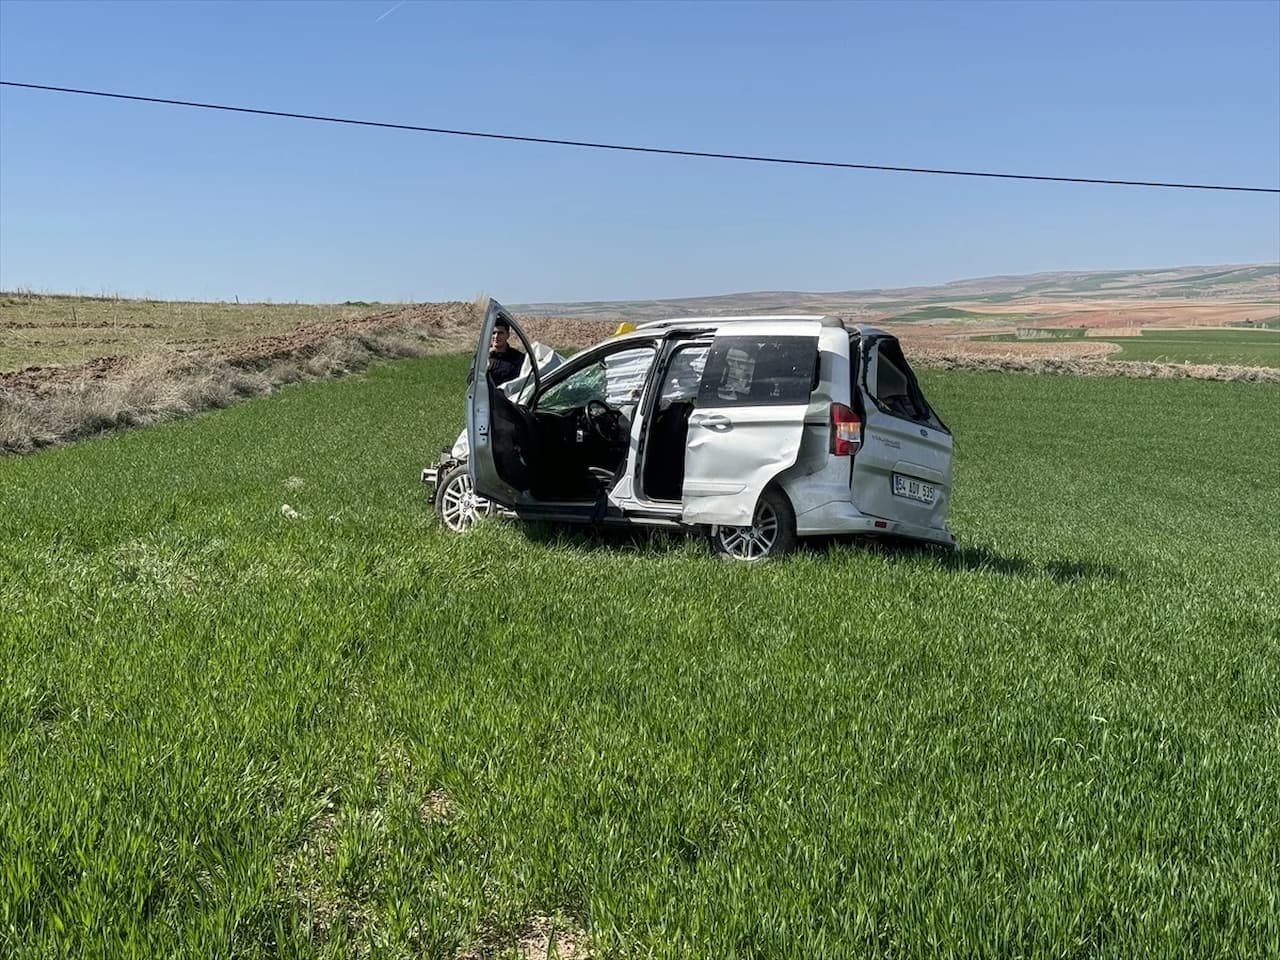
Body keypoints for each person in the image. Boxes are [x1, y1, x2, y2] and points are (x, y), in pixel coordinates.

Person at [488, 318, 525, 386]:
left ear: (508, 335)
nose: (496, 336)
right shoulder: (482, 357)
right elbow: (471, 379)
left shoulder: (518, 357)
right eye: (493, 333)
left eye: (500, 333)